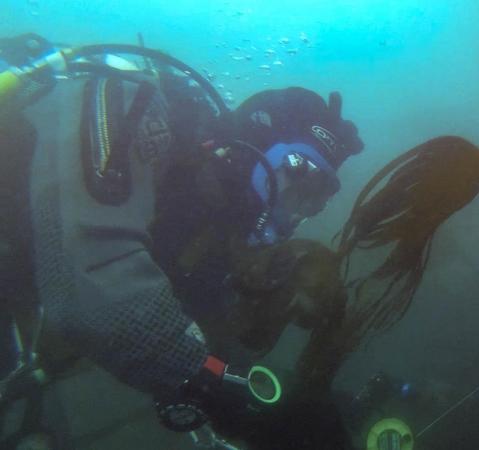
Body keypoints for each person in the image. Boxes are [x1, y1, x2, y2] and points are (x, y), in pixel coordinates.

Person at [0, 32, 363, 438]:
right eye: (296, 178)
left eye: (311, 202)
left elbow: (200, 336)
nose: (291, 213)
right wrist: (224, 392)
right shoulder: (131, 102)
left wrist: (287, 399)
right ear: (256, 142)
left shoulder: (211, 225)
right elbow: (93, 289)